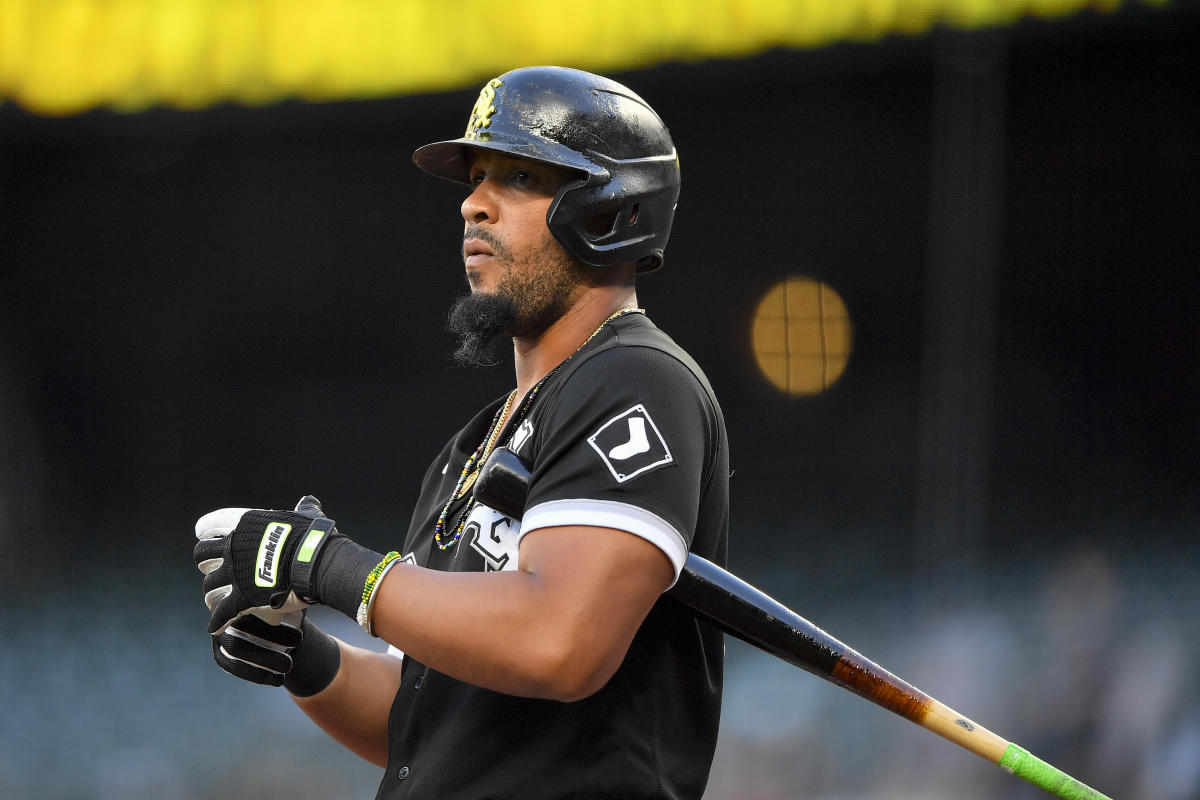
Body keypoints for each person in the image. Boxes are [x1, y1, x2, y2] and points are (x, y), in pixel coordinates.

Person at [194, 65, 730, 800]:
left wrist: (331, 568)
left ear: (610, 209)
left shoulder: (637, 378)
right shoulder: (473, 449)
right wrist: (305, 657)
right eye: (475, 179)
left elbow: (558, 640)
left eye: (515, 177)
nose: (473, 206)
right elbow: (429, 727)